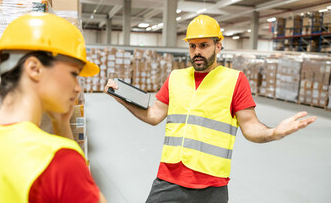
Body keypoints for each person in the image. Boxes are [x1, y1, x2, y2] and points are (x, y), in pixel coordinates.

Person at [104, 15, 317, 203]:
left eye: (204, 45)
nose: (197, 52)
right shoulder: (176, 78)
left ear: (218, 46)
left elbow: (250, 125)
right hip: (168, 179)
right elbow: (153, 115)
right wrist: (121, 98)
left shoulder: (235, 80)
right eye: (192, 46)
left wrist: (273, 133)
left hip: (211, 186)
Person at [0, 13, 107, 203]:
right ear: (34, 68)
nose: (78, 87)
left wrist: (61, 123)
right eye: (73, 73)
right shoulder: (57, 159)